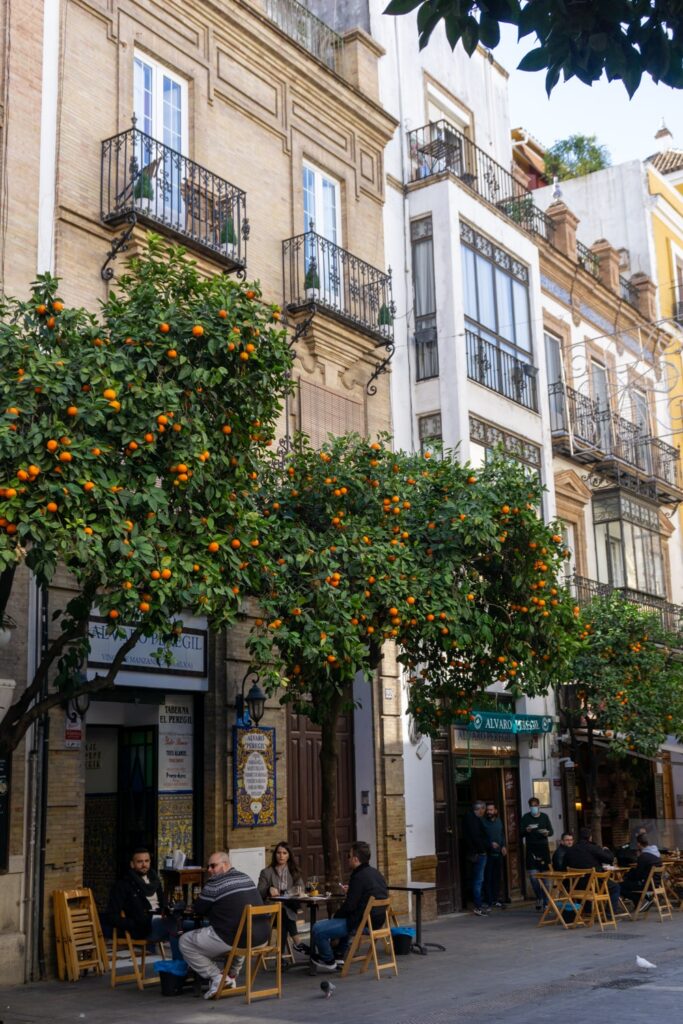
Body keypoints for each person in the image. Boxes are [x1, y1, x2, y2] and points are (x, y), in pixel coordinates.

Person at [179, 850, 268, 1000]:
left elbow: (199, 908)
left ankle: (218, 977)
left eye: (213, 866)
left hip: (236, 939)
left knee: (185, 942)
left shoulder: (214, 884)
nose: (209, 870)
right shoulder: (245, 877)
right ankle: (231, 975)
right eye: (208, 866)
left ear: (225, 865)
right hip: (262, 937)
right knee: (239, 931)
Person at [310, 841, 387, 971]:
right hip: (377, 922)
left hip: (362, 924)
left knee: (317, 929)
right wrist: (352, 891)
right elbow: (367, 894)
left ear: (356, 859)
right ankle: (339, 954)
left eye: (349, 856)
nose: (348, 859)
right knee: (346, 918)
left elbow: (350, 906)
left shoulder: (358, 877)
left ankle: (328, 960)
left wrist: (336, 916)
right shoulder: (376, 873)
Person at [104, 847, 191, 959]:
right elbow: (111, 917)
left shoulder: (155, 881)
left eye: (146, 861)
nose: (144, 865)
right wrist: (135, 923)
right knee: (176, 927)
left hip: (161, 920)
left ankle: (193, 968)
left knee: (193, 925)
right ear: (132, 864)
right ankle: (179, 969)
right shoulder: (123, 885)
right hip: (143, 928)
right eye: (140, 862)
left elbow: (162, 905)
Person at [257, 841, 306, 955]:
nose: (281, 856)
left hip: (287, 911)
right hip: (270, 914)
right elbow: (259, 891)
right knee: (281, 913)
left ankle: (281, 958)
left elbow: (300, 888)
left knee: (283, 916)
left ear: (289, 855)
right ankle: (297, 942)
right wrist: (268, 889)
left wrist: (289, 892)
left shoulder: (294, 872)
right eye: (279, 853)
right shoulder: (266, 872)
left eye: (284, 853)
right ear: (275, 855)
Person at [563, 826, 621, 912]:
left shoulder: (570, 850)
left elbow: (564, 867)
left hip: (575, 885)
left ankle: (587, 910)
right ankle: (609, 913)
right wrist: (606, 850)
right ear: (590, 837)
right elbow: (609, 859)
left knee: (591, 885)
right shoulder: (593, 848)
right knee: (615, 887)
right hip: (593, 884)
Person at [520, 797, 553, 910]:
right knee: (533, 877)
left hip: (543, 848)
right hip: (531, 849)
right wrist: (526, 830)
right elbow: (520, 833)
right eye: (531, 806)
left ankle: (546, 901)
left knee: (546, 879)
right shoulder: (526, 817)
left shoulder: (544, 817)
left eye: (535, 805)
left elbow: (551, 831)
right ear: (530, 807)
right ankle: (539, 896)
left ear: (539, 806)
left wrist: (546, 833)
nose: (534, 807)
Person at [463, 800, 490, 916]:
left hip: (475, 852)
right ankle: (478, 906)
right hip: (478, 853)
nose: (484, 812)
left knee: (477, 879)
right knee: (478, 880)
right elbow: (476, 837)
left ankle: (480, 903)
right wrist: (483, 849)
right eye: (483, 809)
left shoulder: (471, 819)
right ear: (480, 809)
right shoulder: (473, 820)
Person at [621, 833, 662, 907]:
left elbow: (638, 875)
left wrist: (627, 875)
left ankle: (642, 901)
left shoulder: (643, 856)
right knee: (628, 882)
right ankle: (642, 901)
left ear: (639, 844)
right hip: (656, 884)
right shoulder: (656, 853)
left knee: (620, 886)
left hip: (646, 885)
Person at [482, 802, 507, 909]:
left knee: (497, 877)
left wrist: (504, 846)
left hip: (499, 853)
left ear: (495, 811)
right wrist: (490, 843)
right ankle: (488, 900)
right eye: (488, 810)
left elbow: (501, 834)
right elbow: (481, 836)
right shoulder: (483, 822)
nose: (489, 812)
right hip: (488, 853)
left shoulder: (499, 821)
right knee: (488, 877)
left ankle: (496, 898)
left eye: (491, 810)